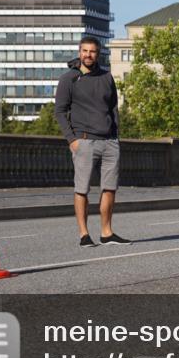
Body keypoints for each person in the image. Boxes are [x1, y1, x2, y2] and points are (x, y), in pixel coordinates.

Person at [55, 36, 129, 247]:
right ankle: (84, 234)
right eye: (85, 51)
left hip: (109, 141)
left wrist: (116, 136)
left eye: (93, 51)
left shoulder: (107, 77)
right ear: (79, 52)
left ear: (98, 54)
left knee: (110, 188)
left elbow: (113, 108)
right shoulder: (69, 79)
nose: (88, 55)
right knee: (82, 189)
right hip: (84, 141)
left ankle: (107, 233)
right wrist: (72, 140)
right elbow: (60, 112)